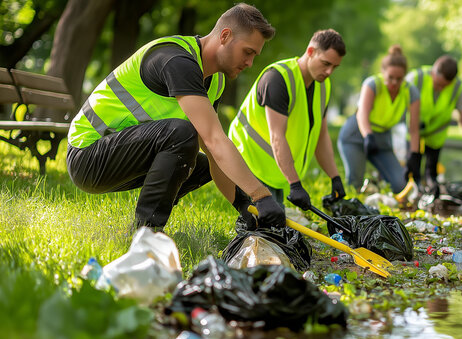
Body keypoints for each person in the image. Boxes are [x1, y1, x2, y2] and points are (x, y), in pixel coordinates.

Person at [66, 3, 285, 231]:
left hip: (118, 153)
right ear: (225, 36)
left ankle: (149, 222)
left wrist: (245, 205)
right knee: (182, 135)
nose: (250, 63)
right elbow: (214, 140)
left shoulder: (215, 81)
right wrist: (262, 196)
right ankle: (146, 233)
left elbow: (214, 155)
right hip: (88, 155)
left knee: (199, 164)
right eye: (248, 52)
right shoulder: (177, 60)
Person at [228, 29, 347, 211]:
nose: (329, 71)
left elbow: (321, 136)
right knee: (265, 226)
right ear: (310, 52)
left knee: (277, 227)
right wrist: (295, 185)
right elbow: (277, 136)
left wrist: (335, 177)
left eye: (335, 67)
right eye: (325, 63)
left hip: (275, 169)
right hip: (248, 161)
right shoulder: (278, 78)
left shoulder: (323, 86)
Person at [337, 45, 420, 194]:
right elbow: (362, 114)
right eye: (391, 78)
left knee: (399, 185)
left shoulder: (410, 91)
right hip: (356, 136)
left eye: (399, 79)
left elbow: (414, 129)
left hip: (382, 139)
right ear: (383, 72)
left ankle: (377, 189)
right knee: (354, 184)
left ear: (405, 76)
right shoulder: (373, 84)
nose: (394, 83)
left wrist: (414, 155)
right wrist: (368, 136)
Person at [405, 55, 462, 192]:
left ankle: (430, 188)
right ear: (433, 72)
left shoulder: (459, 89)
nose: (441, 88)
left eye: (445, 86)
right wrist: (413, 153)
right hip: (413, 133)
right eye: (438, 84)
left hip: (436, 138)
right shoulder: (416, 78)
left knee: (431, 179)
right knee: (411, 174)